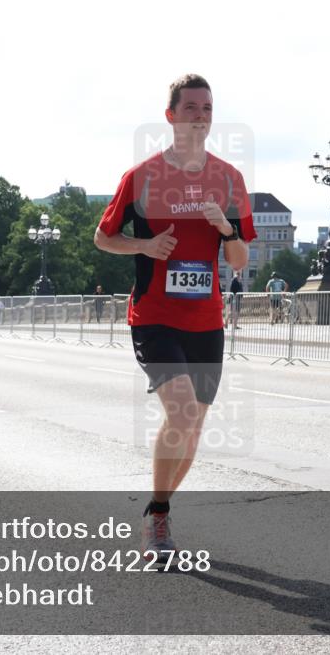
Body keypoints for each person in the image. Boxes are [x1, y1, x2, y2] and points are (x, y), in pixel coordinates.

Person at [93, 74, 256, 558]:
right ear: (171, 116)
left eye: (207, 107)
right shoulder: (141, 177)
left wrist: (226, 228)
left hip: (207, 321)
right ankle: (159, 519)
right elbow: (103, 237)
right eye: (191, 107)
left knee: (194, 429)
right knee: (182, 412)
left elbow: (241, 260)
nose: (201, 115)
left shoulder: (229, 178)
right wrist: (144, 245)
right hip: (155, 315)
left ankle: (156, 508)